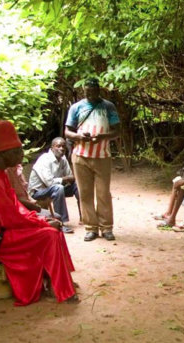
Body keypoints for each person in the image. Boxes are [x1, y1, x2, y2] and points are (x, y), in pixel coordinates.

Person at [0, 120, 78, 306]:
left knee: (53, 226)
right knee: (49, 234)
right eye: (17, 151)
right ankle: (61, 289)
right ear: (4, 153)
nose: (21, 155)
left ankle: (55, 280)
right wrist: (40, 223)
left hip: (1, 225)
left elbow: (12, 206)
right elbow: (8, 218)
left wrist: (38, 218)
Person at [64, 78, 120, 242]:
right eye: (88, 91)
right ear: (84, 90)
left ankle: (106, 227)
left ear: (99, 90)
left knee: (103, 193)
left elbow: (117, 131)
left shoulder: (108, 106)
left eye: (93, 91)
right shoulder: (76, 107)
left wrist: (102, 136)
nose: (91, 93)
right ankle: (91, 228)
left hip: (102, 155)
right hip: (81, 156)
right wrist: (79, 136)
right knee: (85, 193)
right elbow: (68, 131)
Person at [28, 137, 79, 233]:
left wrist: (67, 179)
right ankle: (61, 222)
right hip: (38, 192)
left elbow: (70, 176)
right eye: (58, 146)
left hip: (52, 188)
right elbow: (49, 183)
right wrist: (64, 179)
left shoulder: (63, 159)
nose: (61, 149)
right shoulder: (44, 159)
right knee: (58, 188)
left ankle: (84, 216)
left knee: (77, 185)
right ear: (52, 148)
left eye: (63, 146)